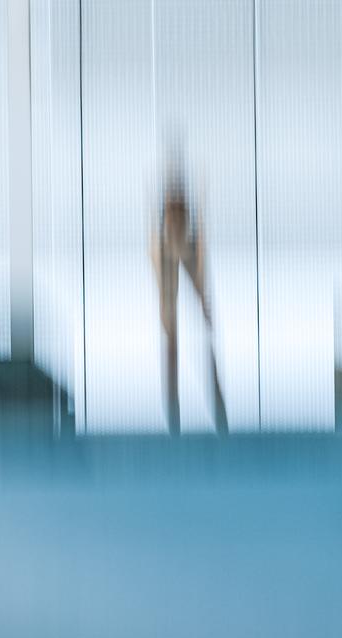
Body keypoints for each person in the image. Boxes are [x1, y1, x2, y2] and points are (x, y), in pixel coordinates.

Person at [149, 158, 227, 435]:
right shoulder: (163, 247)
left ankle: (218, 419)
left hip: (183, 247)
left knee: (198, 336)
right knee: (172, 338)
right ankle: (175, 423)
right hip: (171, 248)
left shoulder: (190, 243)